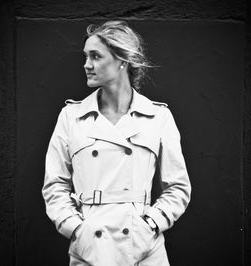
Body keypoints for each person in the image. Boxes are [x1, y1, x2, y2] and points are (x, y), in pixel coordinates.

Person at [42, 20, 191, 266]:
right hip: (90, 250)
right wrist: (78, 230)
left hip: (144, 251)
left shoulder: (158, 117)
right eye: (86, 56)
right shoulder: (71, 116)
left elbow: (178, 188)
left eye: (96, 56)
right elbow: (55, 185)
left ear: (122, 60)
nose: (86, 65)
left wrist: (150, 225)